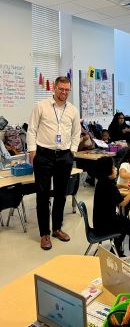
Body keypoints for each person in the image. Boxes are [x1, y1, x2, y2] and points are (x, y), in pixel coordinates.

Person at [26, 76, 81, 250]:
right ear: (54, 89)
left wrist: (72, 151)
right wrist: (32, 151)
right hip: (43, 154)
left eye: (67, 90)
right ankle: (44, 234)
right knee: (42, 195)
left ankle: (57, 228)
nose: (64, 93)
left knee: (60, 194)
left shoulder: (73, 110)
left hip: (64, 156)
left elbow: (76, 133)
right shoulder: (41, 106)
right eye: (61, 89)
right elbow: (32, 129)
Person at [93, 156, 130, 271]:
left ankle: (116, 251)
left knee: (125, 221)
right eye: (113, 167)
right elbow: (123, 203)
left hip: (100, 221)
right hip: (105, 226)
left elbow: (114, 189)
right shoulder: (109, 186)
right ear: (107, 172)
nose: (115, 169)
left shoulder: (102, 182)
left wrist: (122, 186)